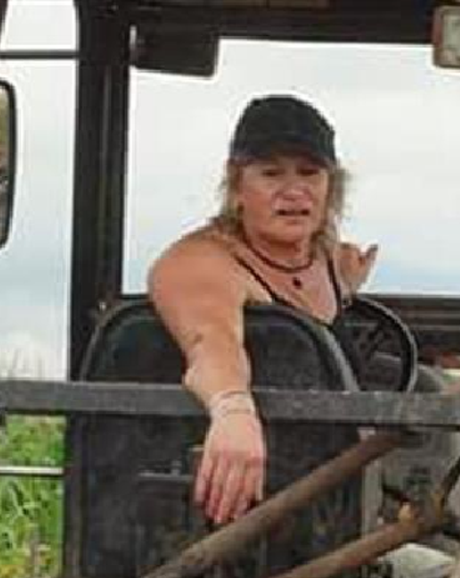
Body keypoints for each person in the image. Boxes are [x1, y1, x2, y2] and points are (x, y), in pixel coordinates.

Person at [149, 95, 377, 525]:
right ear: (237, 187)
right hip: (243, 505)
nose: (293, 191)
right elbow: (211, 343)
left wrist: (344, 289)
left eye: (310, 173)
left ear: (332, 188)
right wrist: (233, 409)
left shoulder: (323, 259)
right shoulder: (200, 262)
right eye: (271, 173)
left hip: (336, 500)